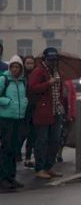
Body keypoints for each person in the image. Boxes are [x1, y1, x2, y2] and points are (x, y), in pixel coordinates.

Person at [28, 47, 65, 179]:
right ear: (45, 59)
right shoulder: (38, 71)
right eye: (50, 60)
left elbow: (60, 90)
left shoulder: (57, 71)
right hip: (43, 111)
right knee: (42, 140)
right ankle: (40, 168)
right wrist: (48, 83)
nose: (52, 62)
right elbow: (31, 88)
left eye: (54, 60)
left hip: (57, 110)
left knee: (55, 140)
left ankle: (49, 166)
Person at [0, 55, 28, 190]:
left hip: (18, 118)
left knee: (15, 149)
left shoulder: (22, 81)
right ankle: (3, 178)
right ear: (10, 68)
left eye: (17, 67)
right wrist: (8, 102)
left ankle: (11, 177)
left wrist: (25, 102)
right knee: (6, 148)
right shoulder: (4, 79)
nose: (15, 69)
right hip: (6, 119)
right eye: (13, 67)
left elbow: (23, 96)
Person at [18, 55, 36, 168]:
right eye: (27, 63)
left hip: (34, 108)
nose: (30, 65)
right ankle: (17, 154)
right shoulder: (21, 77)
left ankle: (28, 158)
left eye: (32, 63)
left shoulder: (36, 76)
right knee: (22, 133)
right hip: (24, 109)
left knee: (32, 134)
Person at [56, 79, 76, 163]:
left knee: (63, 134)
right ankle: (54, 153)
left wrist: (72, 113)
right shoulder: (53, 79)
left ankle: (59, 154)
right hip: (56, 112)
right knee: (56, 134)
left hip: (66, 112)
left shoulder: (69, 82)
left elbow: (73, 97)